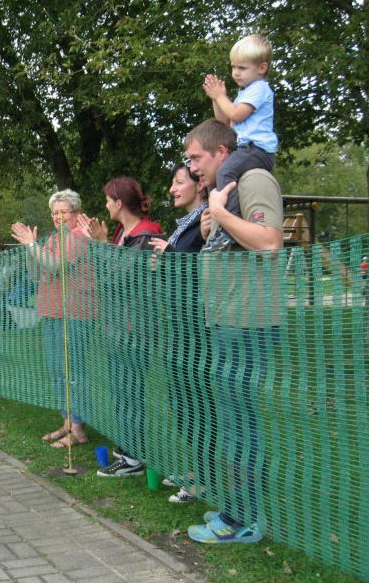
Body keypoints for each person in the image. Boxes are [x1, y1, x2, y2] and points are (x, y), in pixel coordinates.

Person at [183, 119, 283, 545]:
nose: (191, 168)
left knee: (241, 426)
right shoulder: (226, 189)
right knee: (231, 423)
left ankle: (240, 519)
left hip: (247, 325)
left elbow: (269, 241)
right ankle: (237, 506)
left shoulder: (254, 179)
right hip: (227, 323)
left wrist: (221, 214)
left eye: (196, 158)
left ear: (222, 152)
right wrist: (211, 231)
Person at [76, 177, 163, 476]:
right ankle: (128, 451)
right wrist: (100, 245)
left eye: (108, 200)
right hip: (118, 327)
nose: (105, 205)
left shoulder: (145, 235)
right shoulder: (122, 234)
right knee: (121, 391)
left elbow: (118, 281)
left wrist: (99, 245)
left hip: (134, 329)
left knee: (130, 392)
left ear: (119, 202)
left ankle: (132, 457)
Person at [11, 190, 96, 449]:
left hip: (74, 314)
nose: (58, 217)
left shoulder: (78, 236)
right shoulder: (53, 239)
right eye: (54, 213)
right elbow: (36, 273)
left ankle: (78, 428)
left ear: (76, 213)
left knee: (73, 372)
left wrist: (32, 245)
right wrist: (30, 248)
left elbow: (56, 266)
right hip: (52, 312)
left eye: (63, 212)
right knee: (58, 370)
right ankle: (67, 422)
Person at [149, 164, 211, 502]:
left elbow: (200, 268)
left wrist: (170, 255)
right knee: (182, 401)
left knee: (198, 401)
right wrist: (163, 262)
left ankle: (206, 478)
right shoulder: (185, 225)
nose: (172, 189)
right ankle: (196, 470)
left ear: (199, 186)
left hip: (197, 327)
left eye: (179, 182)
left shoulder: (206, 221)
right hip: (178, 326)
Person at [202, 34, 278, 252]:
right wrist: (217, 98)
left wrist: (221, 97)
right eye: (233, 67)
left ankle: (227, 228)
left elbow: (236, 114)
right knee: (222, 176)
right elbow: (224, 122)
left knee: (224, 173)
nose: (235, 72)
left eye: (242, 68)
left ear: (262, 68)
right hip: (246, 148)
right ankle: (224, 226)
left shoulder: (260, 89)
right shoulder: (245, 93)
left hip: (258, 149)